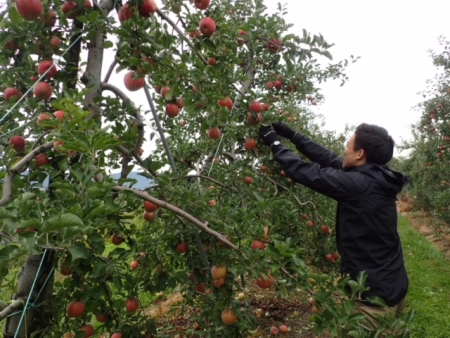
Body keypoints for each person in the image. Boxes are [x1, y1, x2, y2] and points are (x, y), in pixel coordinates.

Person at [259, 122, 411, 327]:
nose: (344, 149)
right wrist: (293, 136)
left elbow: (305, 171)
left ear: (360, 154)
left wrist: (274, 142)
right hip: (393, 281)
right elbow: (329, 160)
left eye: (348, 145)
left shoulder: (358, 185)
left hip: (374, 299)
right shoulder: (376, 176)